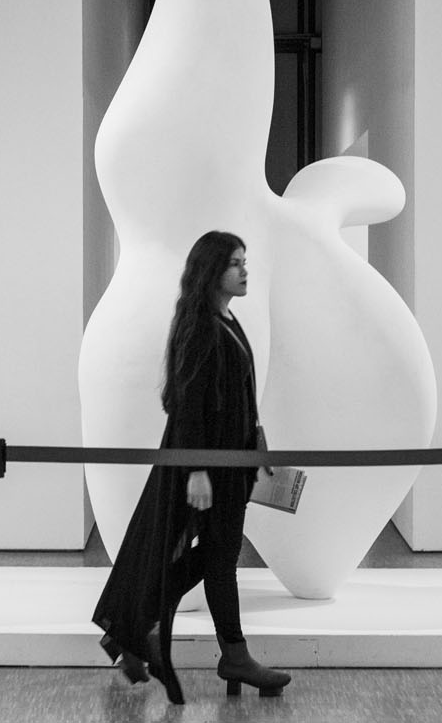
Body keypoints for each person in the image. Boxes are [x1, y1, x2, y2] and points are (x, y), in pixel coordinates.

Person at [92, 230, 291, 704]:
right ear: (212, 271)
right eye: (235, 263)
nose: (244, 270)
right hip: (210, 467)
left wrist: (256, 438)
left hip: (230, 463)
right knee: (221, 559)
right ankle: (228, 653)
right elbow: (188, 403)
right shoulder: (202, 326)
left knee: (220, 556)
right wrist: (197, 470)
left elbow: (235, 393)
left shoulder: (225, 319)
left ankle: (141, 624)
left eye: (244, 261)